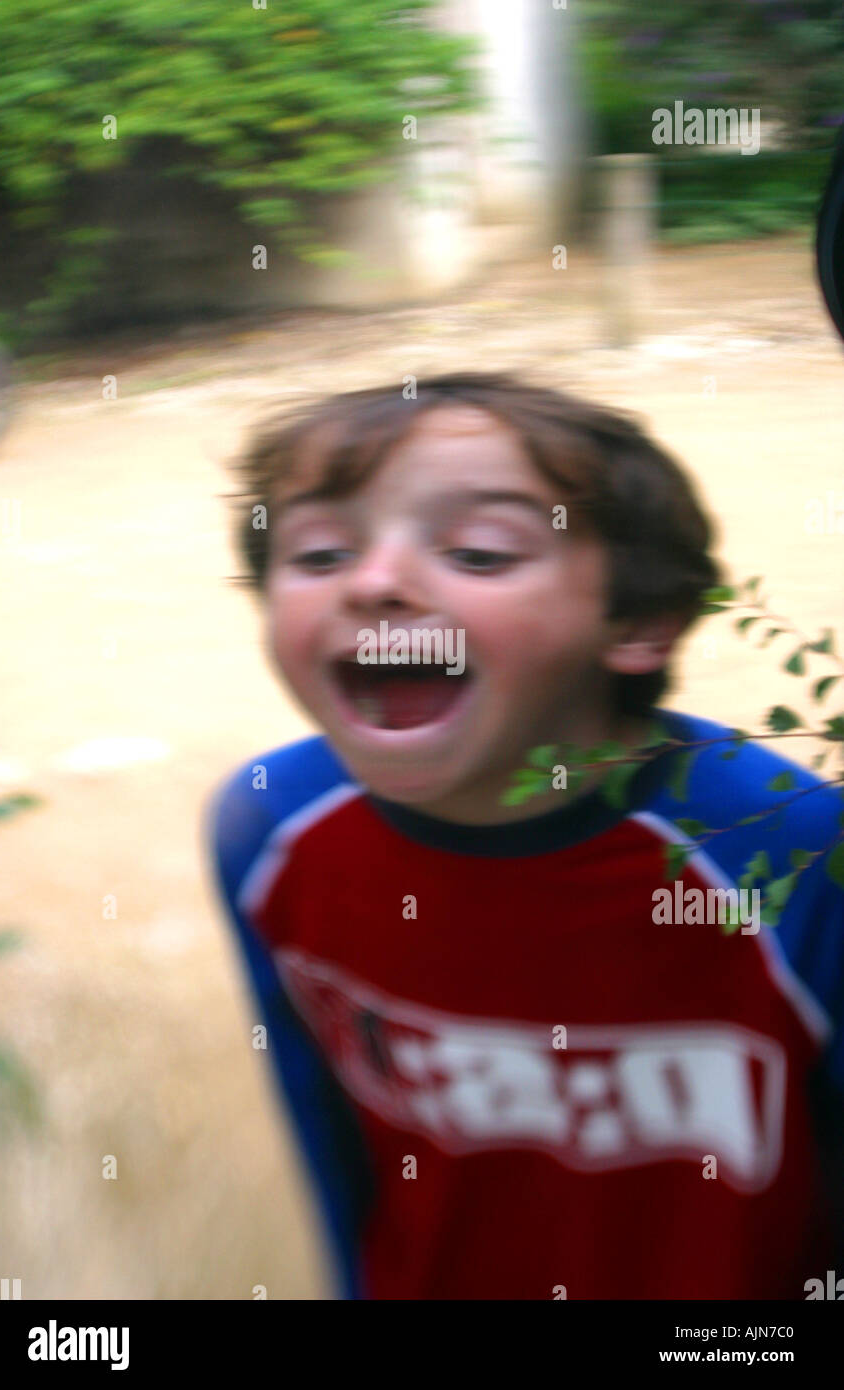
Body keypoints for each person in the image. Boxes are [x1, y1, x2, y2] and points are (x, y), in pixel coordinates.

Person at [207, 373, 844, 1299]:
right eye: (320, 553)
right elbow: (330, 1152)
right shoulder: (268, 831)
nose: (374, 582)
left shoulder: (791, 847)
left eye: (479, 551)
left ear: (639, 622)